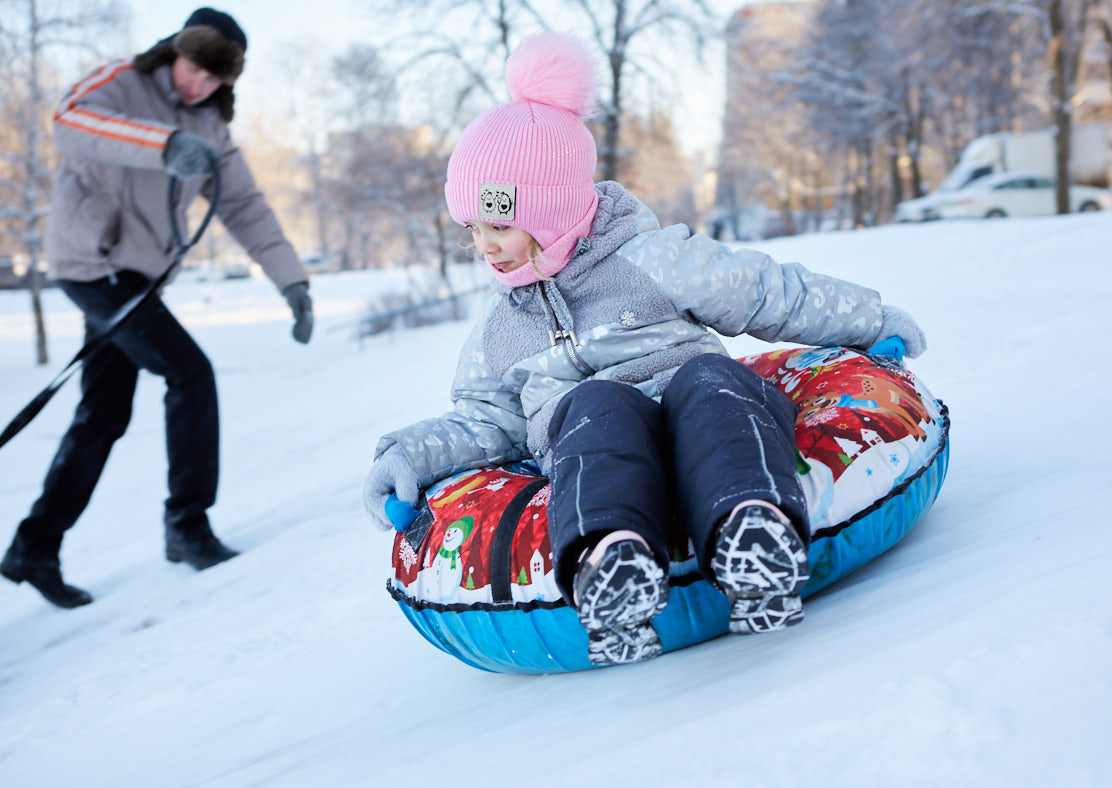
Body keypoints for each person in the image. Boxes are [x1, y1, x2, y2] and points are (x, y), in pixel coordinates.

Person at [361, 32, 927, 666]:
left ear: (551, 210)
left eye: (499, 223)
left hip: (693, 405)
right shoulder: (499, 332)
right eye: (474, 229)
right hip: (594, 441)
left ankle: (752, 533)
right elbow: (484, 418)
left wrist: (868, 320)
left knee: (713, 378)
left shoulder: (650, 260)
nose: (486, 246)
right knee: (594, 404)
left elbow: (765, 292)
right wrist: (407, 452)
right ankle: (612, 567)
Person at [0, 8, 315, 609]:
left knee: (102, 415)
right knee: (189, 374)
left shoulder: (213, 128)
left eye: (214, 81)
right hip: (91, 265)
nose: (199, 87)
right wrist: (164, 145)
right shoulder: (121, 81)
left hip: (140, 278)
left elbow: (245, 206)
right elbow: (71, 122)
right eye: (195, 70)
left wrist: (292, 283)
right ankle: (187, 527)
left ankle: (33, 547)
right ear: (176, 51)